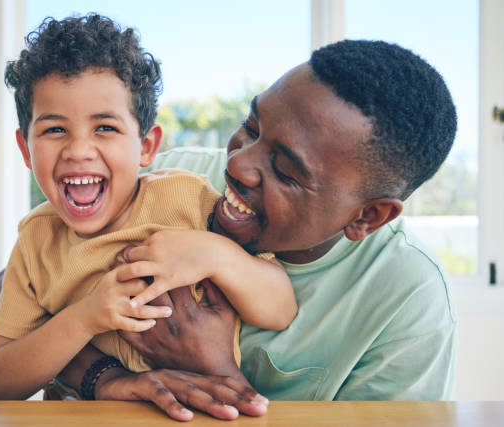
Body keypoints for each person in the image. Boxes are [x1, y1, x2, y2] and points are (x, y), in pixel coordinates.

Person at [53, 39, 458, 421]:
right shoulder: (174, 181)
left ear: (367, 216)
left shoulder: (408, 299)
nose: (238, 165)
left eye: (285, 171)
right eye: (251, 127)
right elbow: (14, 292)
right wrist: (108, 378)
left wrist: (216, 372)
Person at [0, 14, 296, 400]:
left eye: (105, 128)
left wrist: (219, 256)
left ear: (146, 146)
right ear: (26, 150)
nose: (78, 150)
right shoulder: (35, 242)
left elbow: (281, 309)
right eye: (55, 129)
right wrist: (84, 319)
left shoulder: (184, 198)